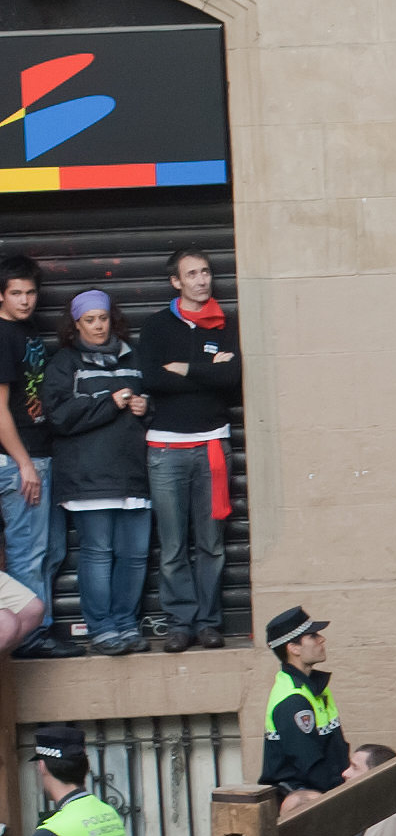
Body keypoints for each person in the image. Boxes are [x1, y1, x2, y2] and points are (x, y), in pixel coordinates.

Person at [137, 247, 239, 652]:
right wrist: (208, 373)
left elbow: (231, 377)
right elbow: (151, 379)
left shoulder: (224, 324)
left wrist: (183, 368)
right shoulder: (157, 326)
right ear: (175, 282)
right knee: (174, 544)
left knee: (211, 542)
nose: (202, 280)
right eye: (192, 274)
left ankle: (209, 622)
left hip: (213, 445)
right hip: (166, 450)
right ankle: (180, 623)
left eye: (206, 272)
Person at [40, 289, 150, 653]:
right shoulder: (64, 363)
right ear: (76, 325)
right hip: (86, 477)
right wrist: (110, 401)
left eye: (103, 318)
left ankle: (126, 624)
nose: (98, 325)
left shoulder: (132, 357)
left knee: (134, 555)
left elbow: (155, 405)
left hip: (133, 473)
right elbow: (57, 416)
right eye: (90, 320)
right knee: (98, 552)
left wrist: (143, 408)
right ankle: (101, 627)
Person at [0, 255, 62, 658]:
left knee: (47, 550)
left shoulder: (25, 329)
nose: (25, 301)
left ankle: (39, 631)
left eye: (31, 292)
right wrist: (23, 463)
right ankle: (32, 639)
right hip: (20, 461)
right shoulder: (3, 335)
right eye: (16, 293)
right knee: (29, 552)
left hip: (38, 453)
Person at [260, 604, 347, 793]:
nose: (321, 639)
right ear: (294, 648)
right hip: (304, 802)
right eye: (313, 636)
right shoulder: (293, 700)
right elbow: (311, 767)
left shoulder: (315, 687)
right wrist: (346, 792)